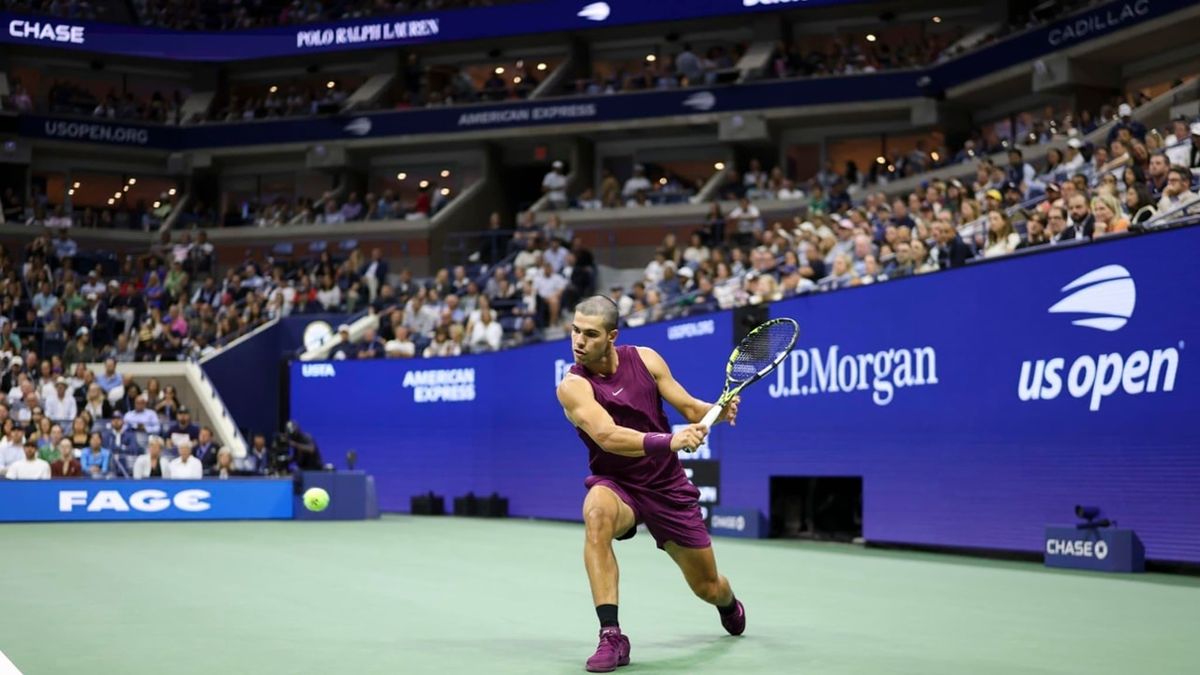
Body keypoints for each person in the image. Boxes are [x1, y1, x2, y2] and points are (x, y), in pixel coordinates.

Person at [555, 296, 744, 673]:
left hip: (666, 487)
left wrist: (717, 411)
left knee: (707, 586)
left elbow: (690, 409)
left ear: (612, 336)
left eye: (590, 334)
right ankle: (611, 635)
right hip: (618, 484)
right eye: (575, 331)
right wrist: (671, 441)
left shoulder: (646, 359)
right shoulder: (572, 386)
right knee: (596, 514)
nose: (579, 341)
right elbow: (607, 436)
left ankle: (728, 603)